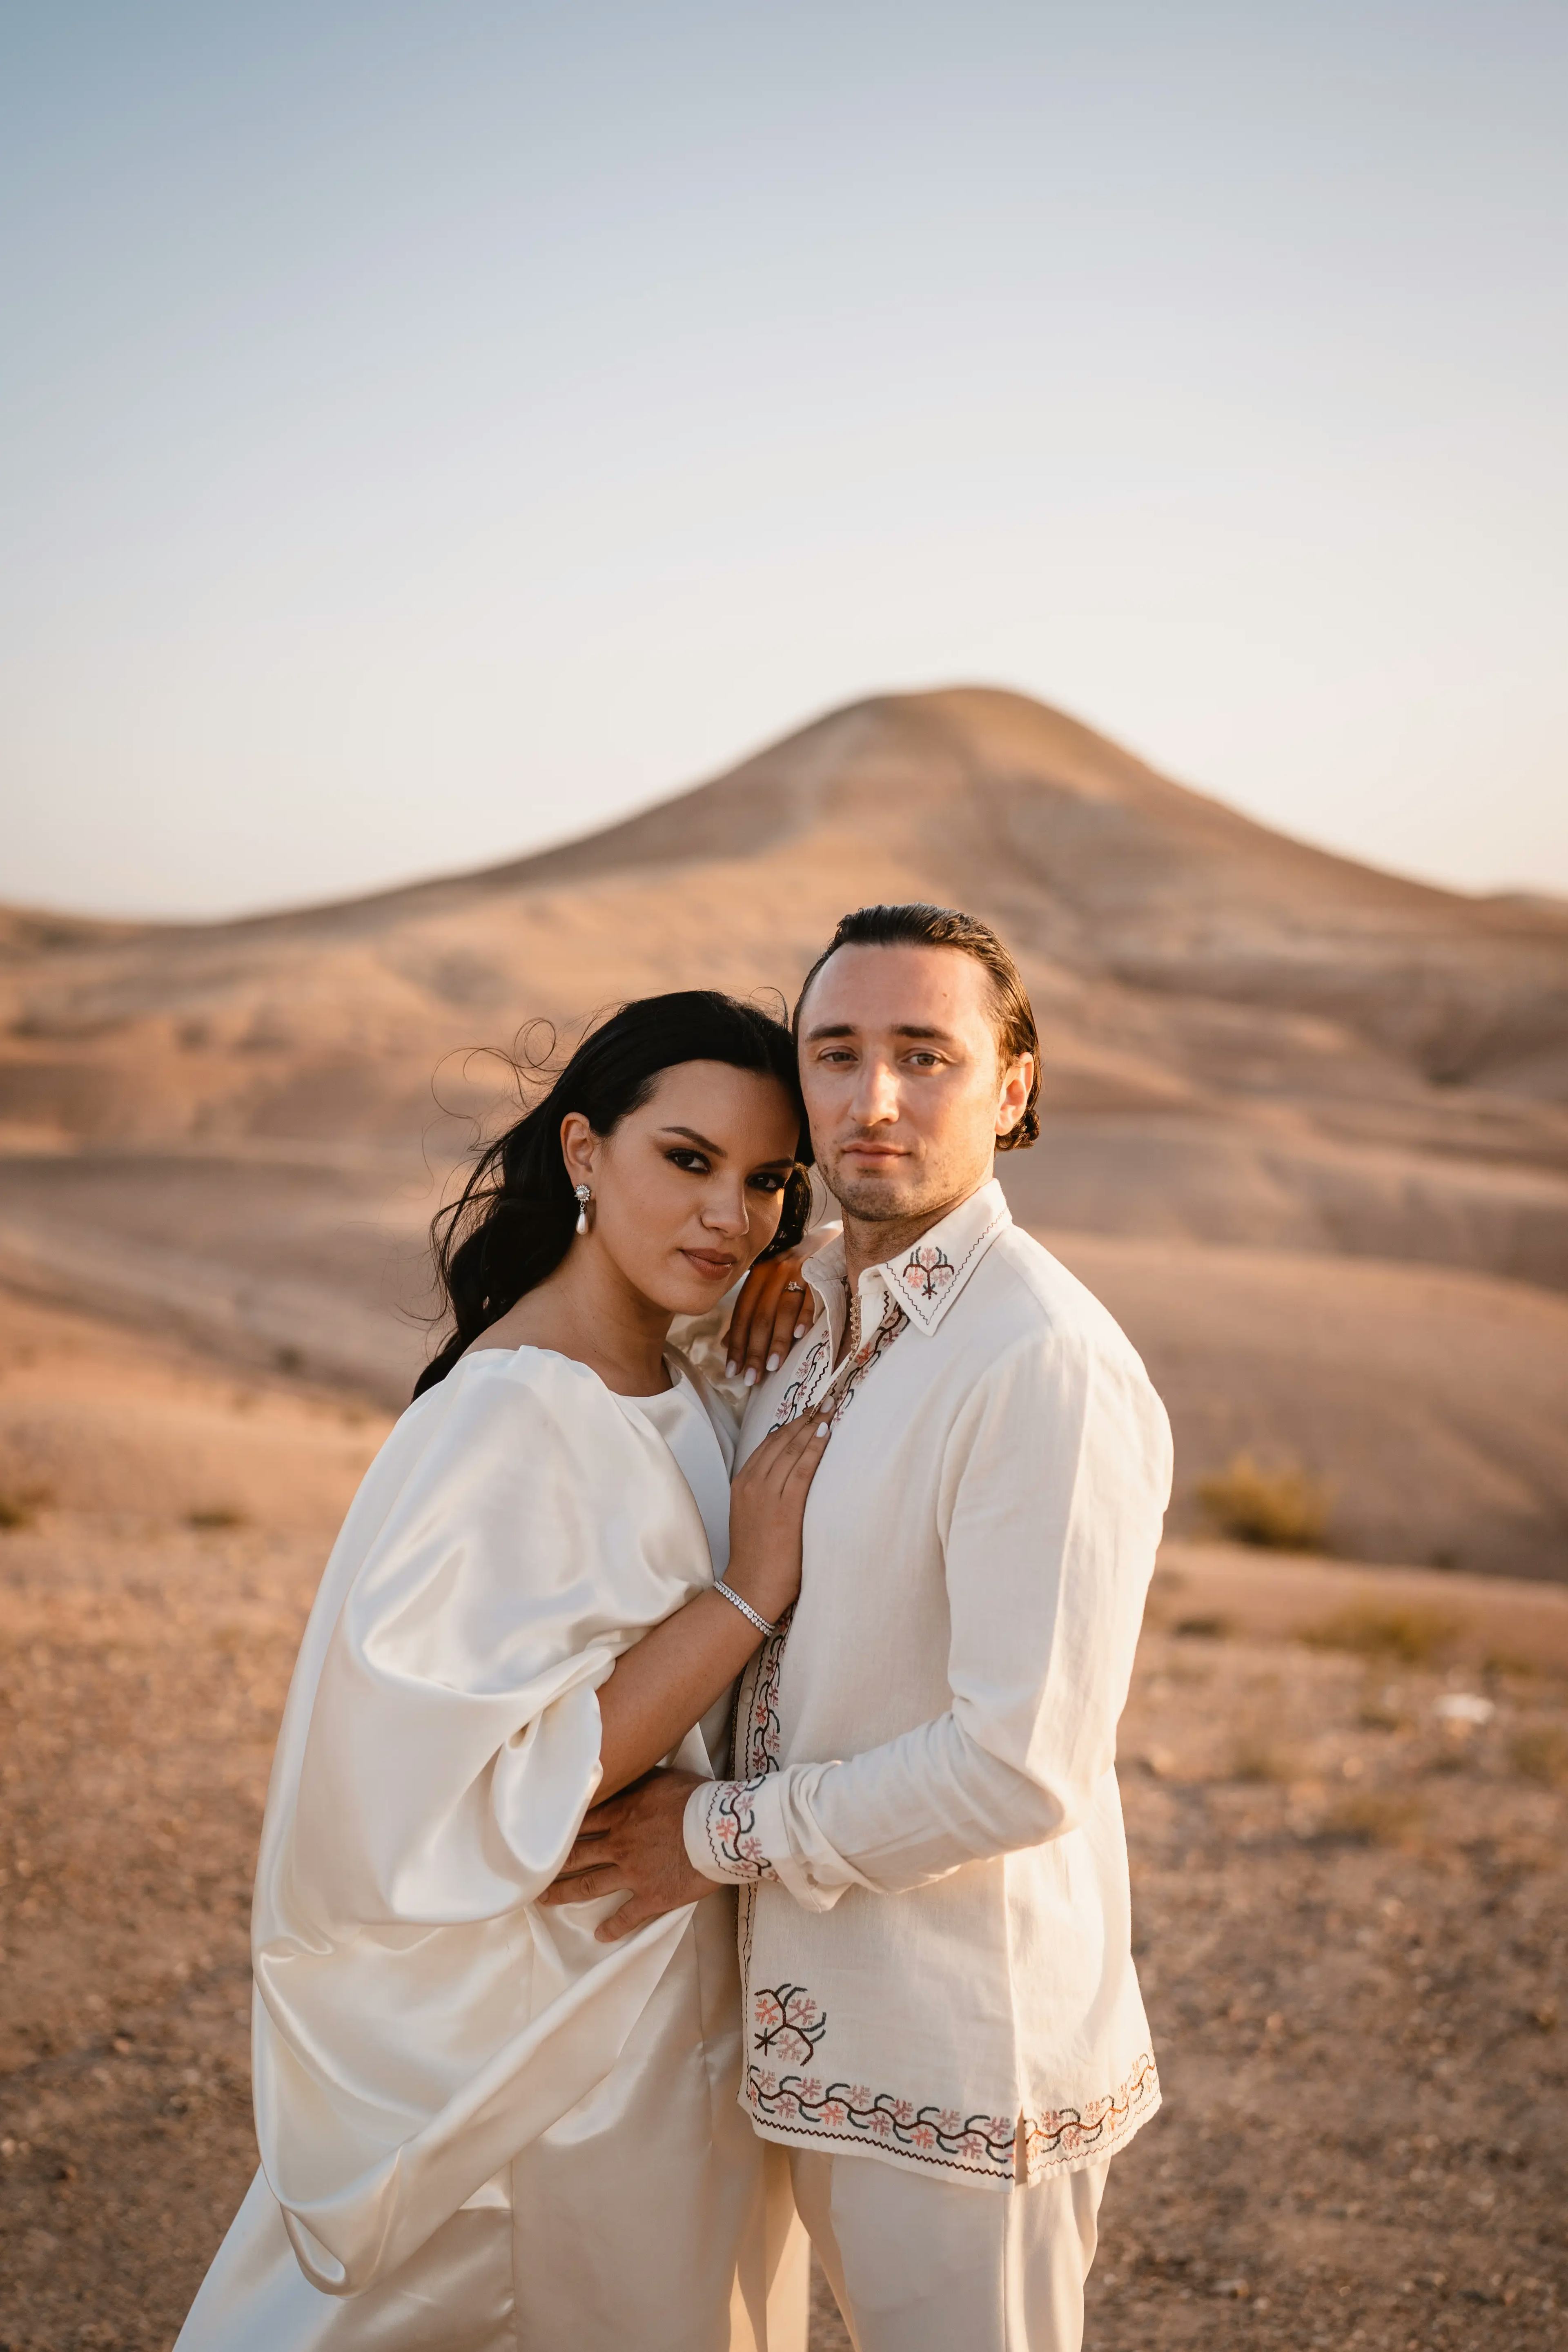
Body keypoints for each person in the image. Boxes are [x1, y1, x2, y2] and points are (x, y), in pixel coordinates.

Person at [542, 907, 1174, 2352]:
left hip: (959, 2049)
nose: (872, 1099)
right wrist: (793, 1261)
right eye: (837, 1053)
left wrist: (708, 1836)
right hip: (782, 2027)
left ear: (1011, 1088)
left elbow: (1020, 1766)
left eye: (925, 1056)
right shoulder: (806, 1306)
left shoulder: (1043, 1364)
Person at [176, 991, 827, 2352]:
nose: (731, 1215)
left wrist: (793, 1275)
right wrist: (749, 1591)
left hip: (658, 1987)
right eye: (689, 1161)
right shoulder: (517, 1412)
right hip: (556, 2038)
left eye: (769, 1181)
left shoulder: (664, 1364)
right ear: (586, 1152)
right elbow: (501, 1784)